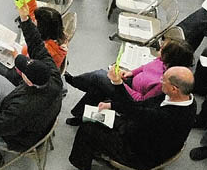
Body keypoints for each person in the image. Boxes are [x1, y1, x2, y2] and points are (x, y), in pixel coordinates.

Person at [55, 67, 196, 170]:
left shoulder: (167, 116)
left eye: (163, 80)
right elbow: (140, 106)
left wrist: (117, 84)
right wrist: (112, 106)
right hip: (144, 134)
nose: (160, 82)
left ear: (174, 88)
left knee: (87, 129)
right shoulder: (186, 98)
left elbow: (137, 113)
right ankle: (100, 149)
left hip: (141, 153)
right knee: (103, 118)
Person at [0, 2, 63, 167]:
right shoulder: (52, 75)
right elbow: (37, 45)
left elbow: (0, 125)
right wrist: (24, 19)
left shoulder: (24, 107)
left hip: (20, 136)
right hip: (33, 117)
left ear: (28, 80)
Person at [65, 38, 194, 126]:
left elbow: (140, 101)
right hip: (130, 82)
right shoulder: (162, 61)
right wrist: (131, 73)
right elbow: (146, 67)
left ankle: (75, 82)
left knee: (99, 76)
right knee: (99, 86)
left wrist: (119, 83)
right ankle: (80, 114)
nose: (159, 49)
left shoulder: (165, 81)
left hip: (130, 96)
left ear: (170, 57)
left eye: (163, 50)